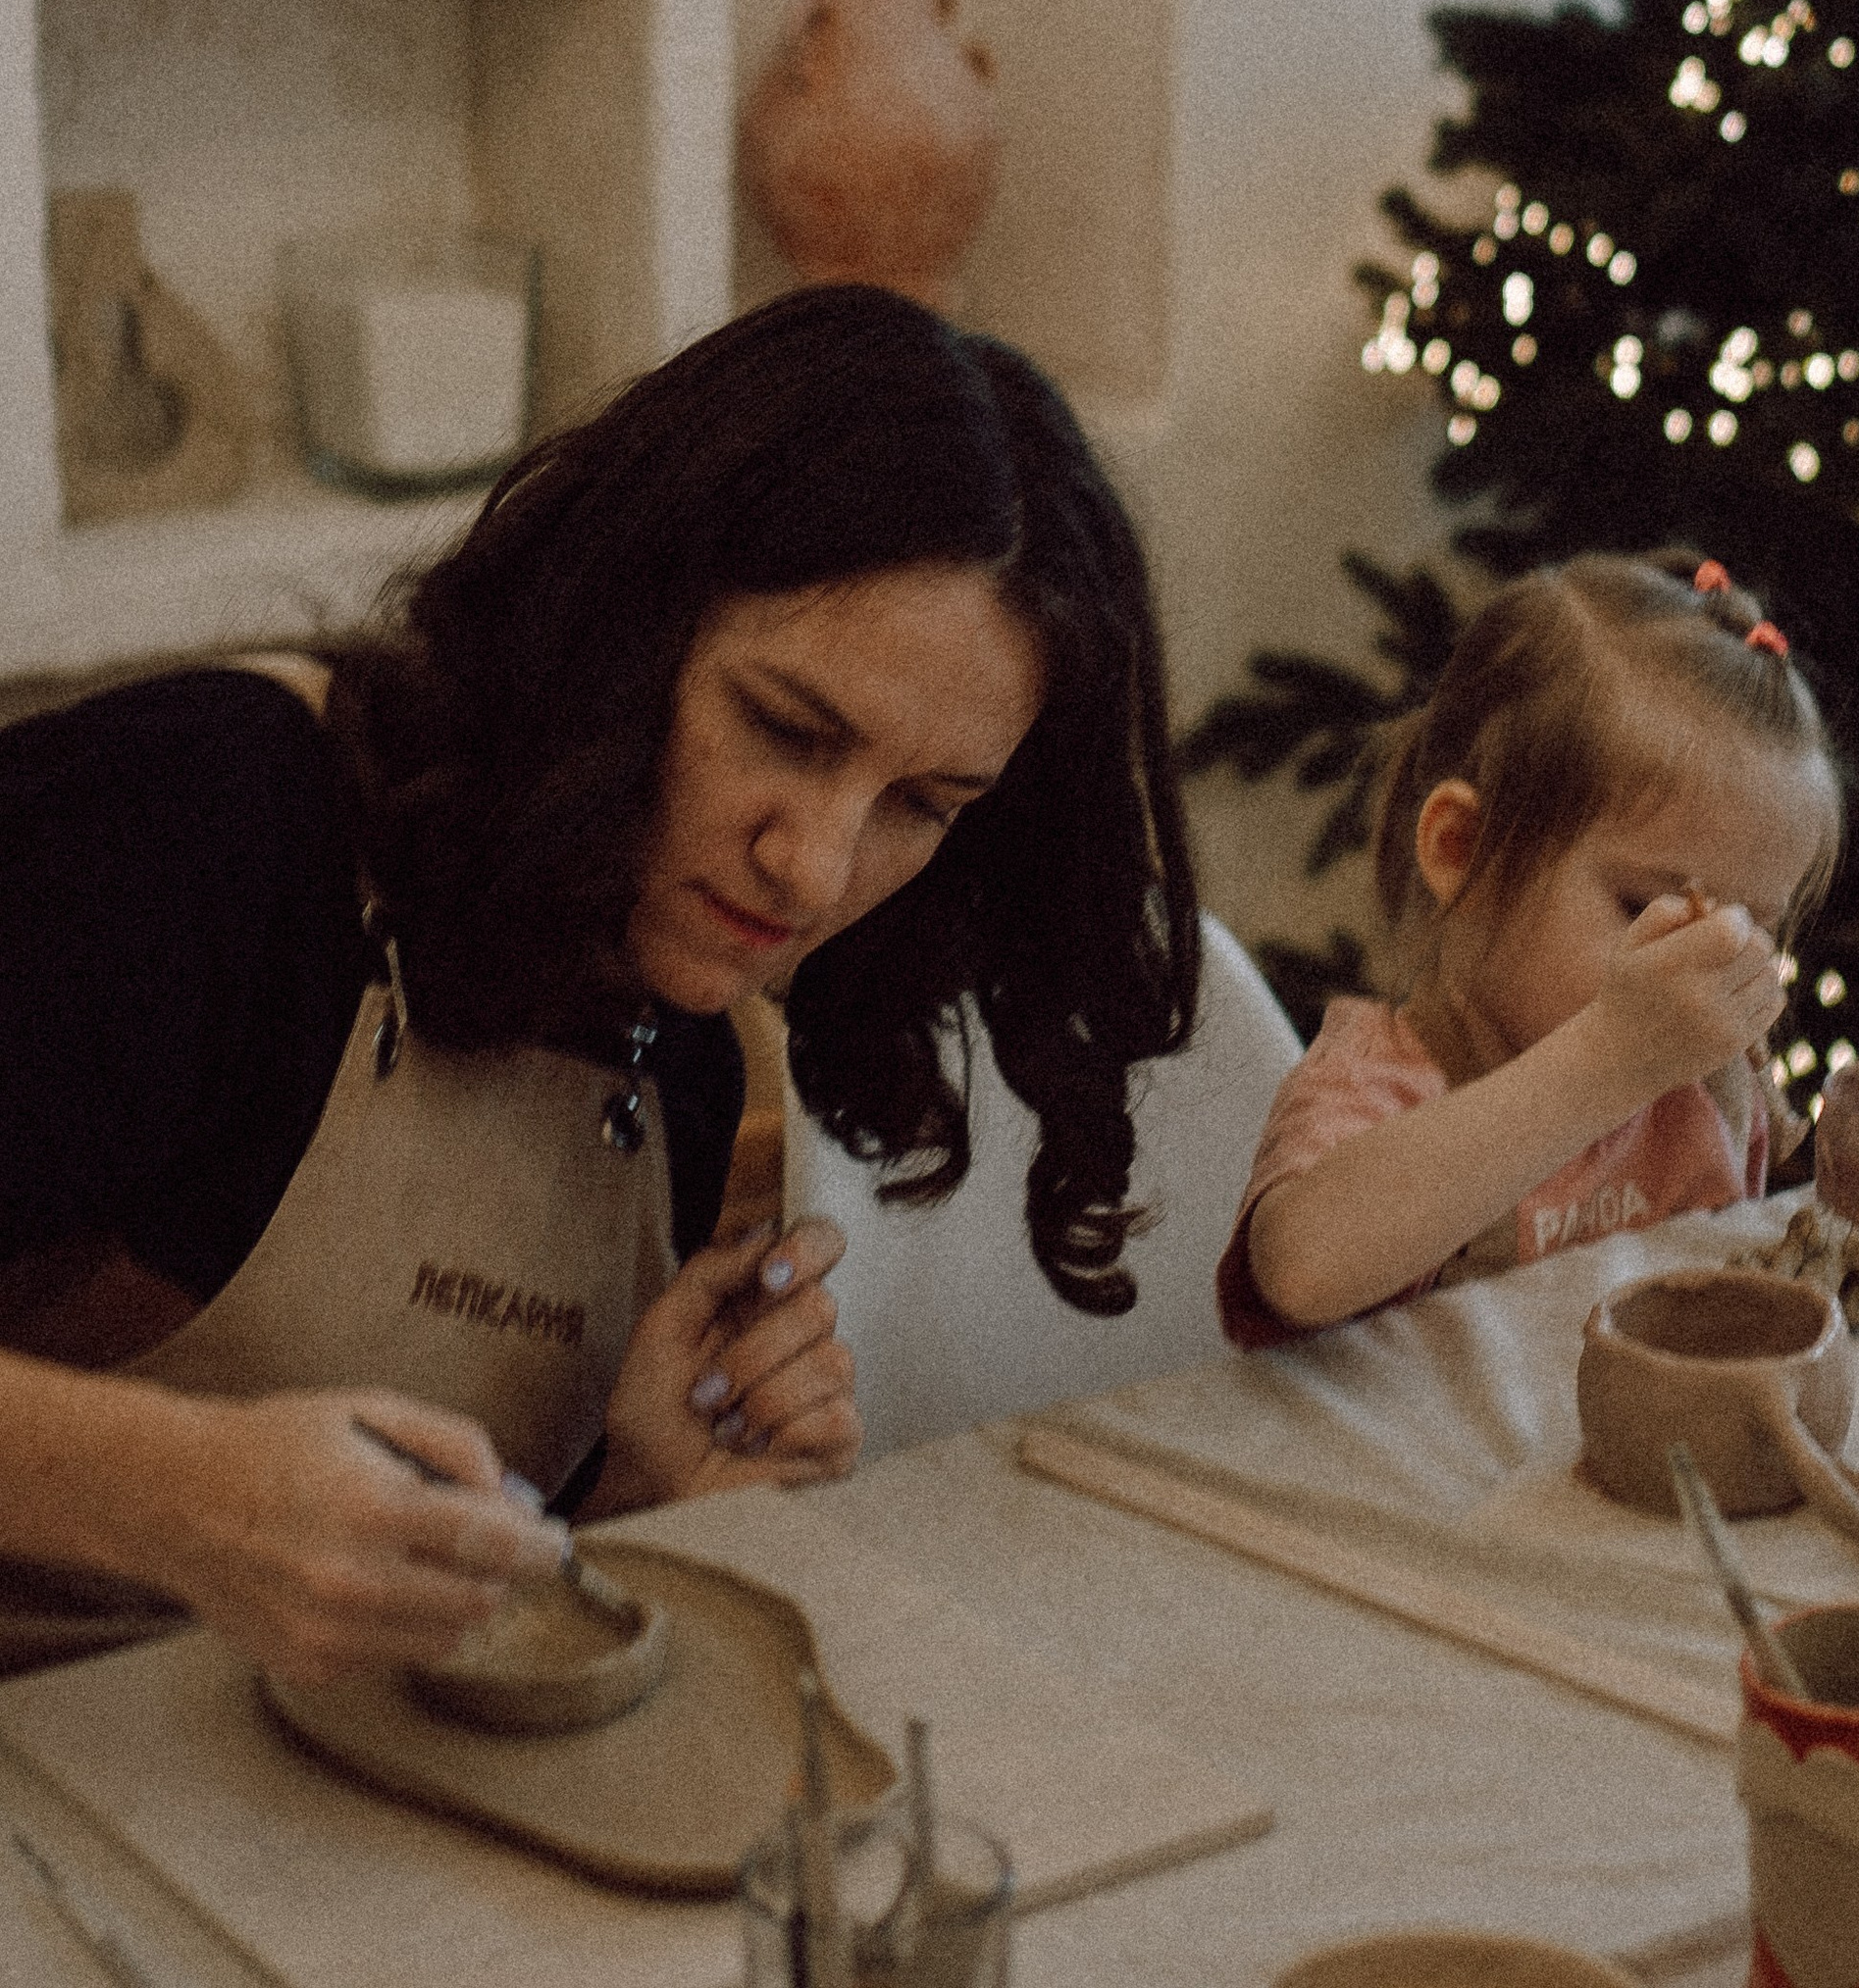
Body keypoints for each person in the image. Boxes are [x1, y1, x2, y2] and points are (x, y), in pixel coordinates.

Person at [0, 285, 1198, 1683]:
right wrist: (190, 1494)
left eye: (922, 805)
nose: (814, 871)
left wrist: (627, 1503)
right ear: (624, 617)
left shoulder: (681, 1042)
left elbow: (423, 1611)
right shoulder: (206, 817)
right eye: (786, 728)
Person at [1218, 553, 1838, 1347]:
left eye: (1756, 927)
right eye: (1650, 907)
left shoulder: (1707, 1094)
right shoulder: (1380, 1082)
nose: (1711, 959)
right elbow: (1300, 1270)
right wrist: (1607, 1059)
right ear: (1462, 849)